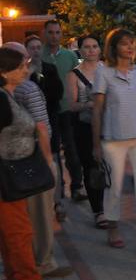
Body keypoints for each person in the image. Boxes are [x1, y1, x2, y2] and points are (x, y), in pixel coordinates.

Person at [0, 47, 70, 280]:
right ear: (4, 72)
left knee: (11, 233)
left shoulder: (9, 95)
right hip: (7, 176)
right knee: (19, 232)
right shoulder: (1, 99)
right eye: (20, 66)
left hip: (13, 174)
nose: (26, 69)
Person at [92, 29, 136, 258]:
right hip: (113, 139)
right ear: (114, 48)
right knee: (114, 187)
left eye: (132, 43)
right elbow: (97, 111)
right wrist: (96, 145)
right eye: (124, 44)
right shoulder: (104, 73)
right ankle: (112, 227)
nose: (130, 47)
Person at [67, 35, 107, 228]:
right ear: (80, 50)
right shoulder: (74, 74)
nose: (91, 50)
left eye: (94, 46)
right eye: (87, 47)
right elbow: (71, 105)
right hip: (85, 126)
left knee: (110, 168)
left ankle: (109, 207)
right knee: (91, 167)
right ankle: (98, 210)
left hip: (110, 125)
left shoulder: (108, 70)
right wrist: (92, 103)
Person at [42, 20, 83, 202]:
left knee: (72, 149)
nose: (54, 36)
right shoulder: (38, 55)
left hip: (68, 110)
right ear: (45, 33)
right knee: (52, 152)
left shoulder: (69, 56)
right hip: (46, 111)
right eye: (51, 32)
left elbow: (80, 81)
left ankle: (76, 187)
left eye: (58, 32)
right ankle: (58, 190)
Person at [25, 36, 65, 221]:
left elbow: (58, 92)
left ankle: (58, 202)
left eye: (38, 47)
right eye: (32, 47)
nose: (35, 51)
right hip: (29, 126)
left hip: (50, 120)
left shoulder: (49, 69)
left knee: (54, 161)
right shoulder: (23, 72)